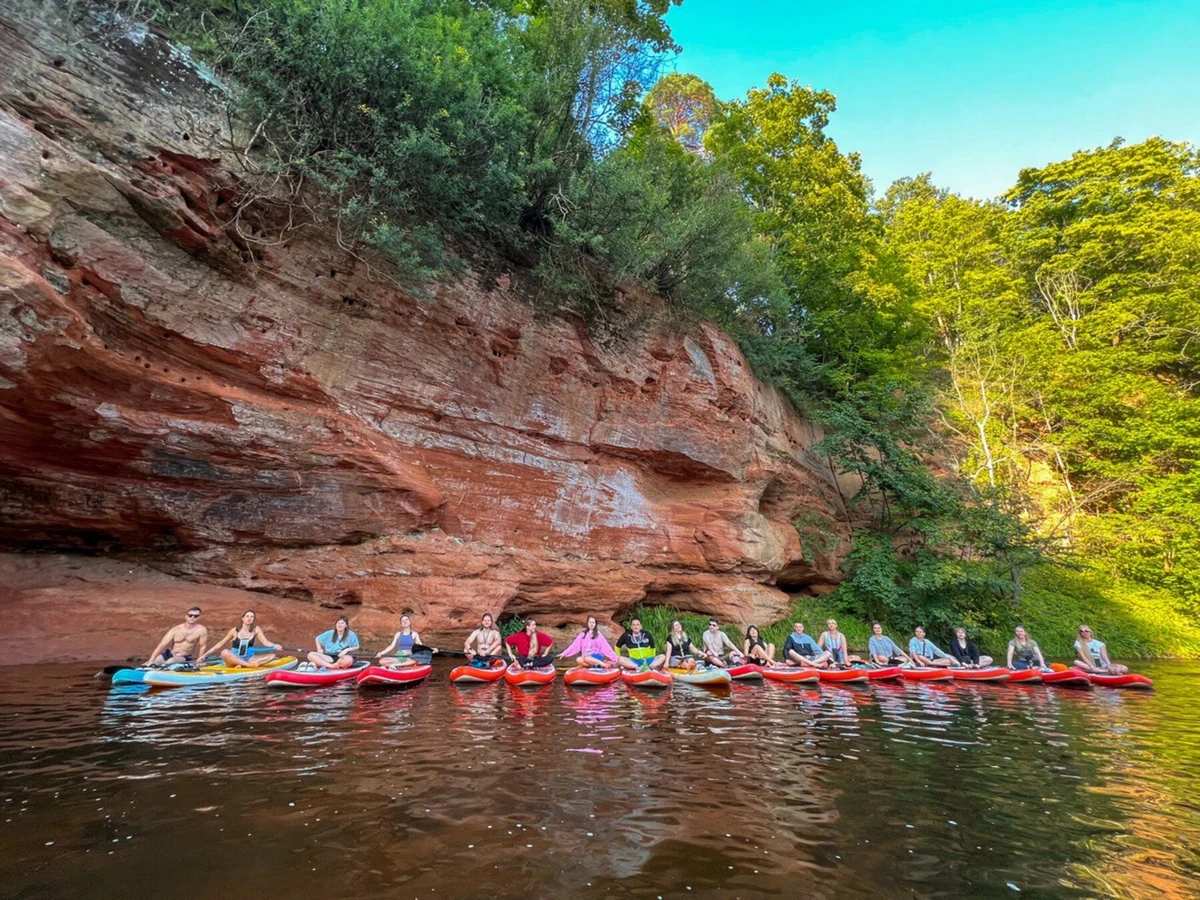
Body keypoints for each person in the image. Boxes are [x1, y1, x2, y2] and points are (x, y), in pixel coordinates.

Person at [207, 610, 282, 668]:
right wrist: (204, 655)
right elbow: (220, 643)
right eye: (247, 616)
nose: (249, 618)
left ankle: (244, 664)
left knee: (272, 656)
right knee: (224, 652)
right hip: (234, 658)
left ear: (253, 619)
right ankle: (248, 665)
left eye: (252, 617)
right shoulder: (234, 631)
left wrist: (275, 645)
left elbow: (265, 642)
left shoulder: (256, 629)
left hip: (249, 658)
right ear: (243, 618)